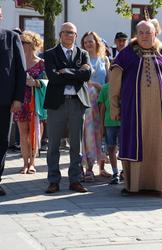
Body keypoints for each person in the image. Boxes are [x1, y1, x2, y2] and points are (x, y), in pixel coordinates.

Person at [109, 20, 162, 195]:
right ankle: (133, 185)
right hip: (133, 110)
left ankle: (158, 184)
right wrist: (115, 108)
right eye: (140, 32)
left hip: (159, 112)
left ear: (155, 33)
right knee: (135, 144)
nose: (144, 36)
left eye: (148, 32)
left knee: (157, 144)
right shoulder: (126, 54)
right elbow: (114, 84)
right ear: (136, 34)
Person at [44, 22, 91, 193]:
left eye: (72, 33)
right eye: (66, 32)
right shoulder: (50, 54)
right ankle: (53, 180)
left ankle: (75, 180)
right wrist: (76, 73)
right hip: (57, 103)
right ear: (60, 34)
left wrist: (65, 71)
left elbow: (86, 75)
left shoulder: (83, 54)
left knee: (76, 145)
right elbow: (53, 77)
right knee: (54, 144)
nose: (69, 35)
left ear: (76, 36)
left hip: (77, 103)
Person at [0, 7, 26, 195]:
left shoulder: (11, 37)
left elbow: (20, 70)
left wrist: (18, 98)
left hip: (5, 101)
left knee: (1, 141)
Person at [14, 31, 46, 174]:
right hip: (19, 102)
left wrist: (36, 82)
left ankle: (32, 163)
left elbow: (48, 83)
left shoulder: (42, 63)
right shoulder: (17, 62)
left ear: (33, 44)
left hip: (36, 103)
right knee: (22, 134)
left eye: (24, 42)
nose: (21, 45)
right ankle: (24, 163)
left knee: (34, 134)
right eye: (21, 42)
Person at [80, 31, 111, 182]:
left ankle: (103, 167)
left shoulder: (104, 59)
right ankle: (89, 168)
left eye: (90, 41)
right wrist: (94, 85)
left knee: (102, 132)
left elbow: (109, 80)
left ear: (97, 42)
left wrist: (103, 89)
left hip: (102, 101)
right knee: (89, 134)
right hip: (88, 102)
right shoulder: (81, 60)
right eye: (85, 42)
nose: (88, 44)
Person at [98, 82, 121, 184]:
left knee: (124, 149)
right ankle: (115, 173)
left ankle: (125, 172)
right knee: (111, 148)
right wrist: (102, 125)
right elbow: (102, 108)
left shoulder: (124, 85)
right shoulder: (105, 88)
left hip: (123, 123)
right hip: (109, 123)